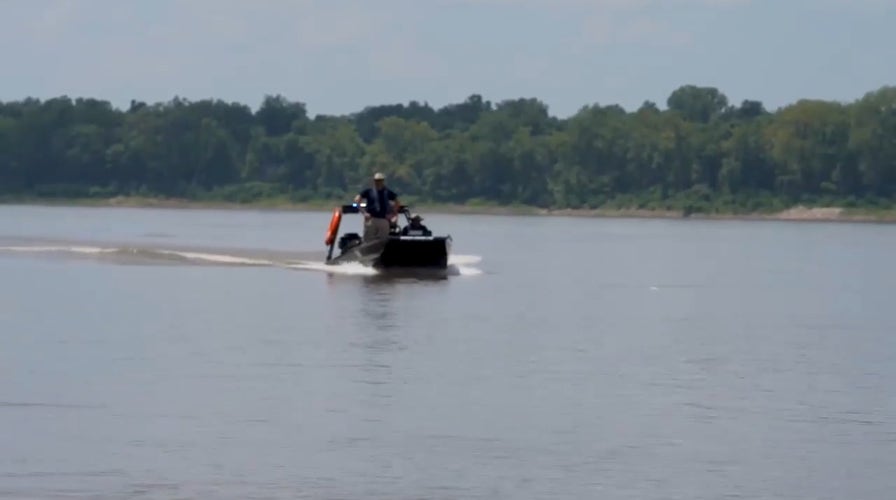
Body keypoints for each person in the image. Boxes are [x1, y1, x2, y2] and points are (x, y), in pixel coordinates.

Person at [354, 172, 400, 241]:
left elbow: (397, 202)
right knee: (368, 240)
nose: (378, 182)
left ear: (383, 181)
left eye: (380, 180)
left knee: (383, 240)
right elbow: (356, 200)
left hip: (383, 219)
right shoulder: (369, 191)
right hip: (371, 219)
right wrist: (364, 212)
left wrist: (393, 214)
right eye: (376, 180)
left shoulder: (387, 192)